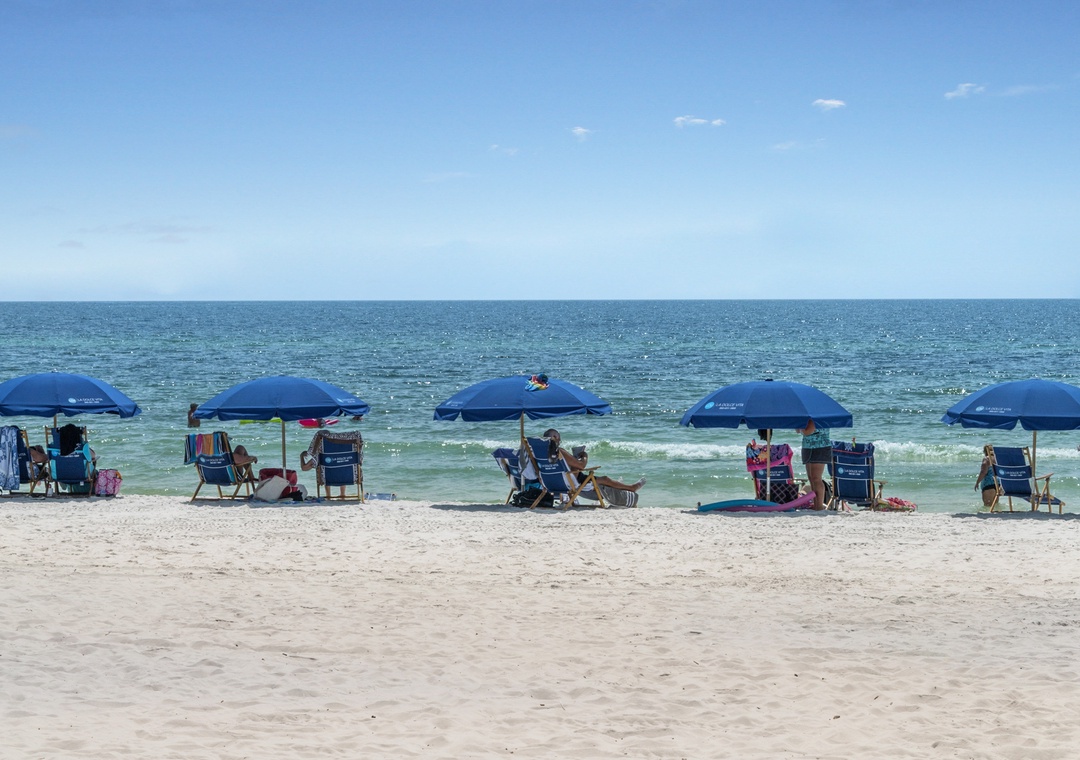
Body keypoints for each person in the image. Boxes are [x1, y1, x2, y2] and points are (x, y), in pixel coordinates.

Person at [536, 428, 645, 494]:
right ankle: (631, 488)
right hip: (570, 483)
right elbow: (581, 466)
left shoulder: (539, 453)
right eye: (559, 439)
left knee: (597, 479)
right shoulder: (559, 451)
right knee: (605, 479)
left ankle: (620, 486)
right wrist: (584, 456)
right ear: (554, 437)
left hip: (550, 484)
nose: (559, 441)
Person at [300, 428, 364, 497]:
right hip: (349, 477)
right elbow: (360, 460)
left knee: (326, 466)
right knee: (343, 464)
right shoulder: (353, 454)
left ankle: (328, 495)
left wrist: (301, 456)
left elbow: (304, 468)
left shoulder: (321, 456)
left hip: (328, 478)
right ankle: (342, 494)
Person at [795, 420, 831, 510]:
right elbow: (798, 430)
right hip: (808, 446)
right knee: (811, 478)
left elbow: (808, 431)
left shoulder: (817, 415)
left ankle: (819, 506)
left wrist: (801, 428)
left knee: (816, 478)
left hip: (820, 446)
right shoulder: (807, 417)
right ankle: (816, 504)